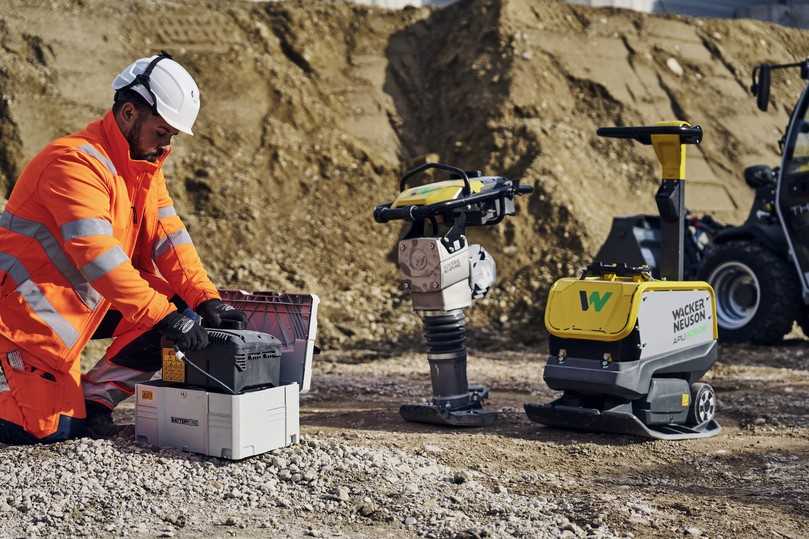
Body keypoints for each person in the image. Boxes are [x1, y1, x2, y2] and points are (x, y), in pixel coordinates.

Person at [0, 53, 245, 444]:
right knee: (45, 430)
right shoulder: (73, 164)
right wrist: (163, 317)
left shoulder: (141, 167)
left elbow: (169, 237)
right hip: (25, 316)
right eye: (161, 132)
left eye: (171, 136)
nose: (166, 145)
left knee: (181, 310)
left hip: (76, 305)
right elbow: (98, 258)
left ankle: (95, 400)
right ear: (129, 113)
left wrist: (205, 298)